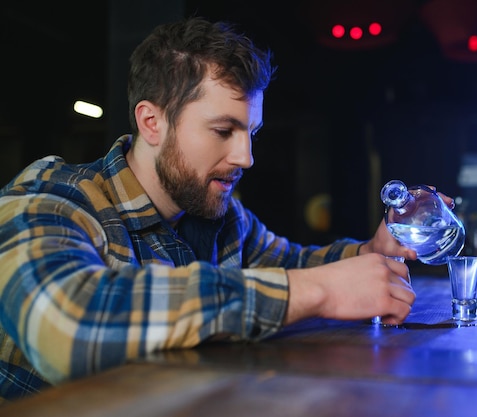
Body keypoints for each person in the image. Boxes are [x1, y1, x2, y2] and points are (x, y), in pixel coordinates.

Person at [0, 16, 453, 404]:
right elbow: (67, 326)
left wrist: (372, 250)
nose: (246, 157)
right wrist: (311, 291)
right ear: (151, 122)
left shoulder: (220, 214)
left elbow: (294, 264)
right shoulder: (50, 198)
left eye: (251, 132)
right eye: (223, 130)